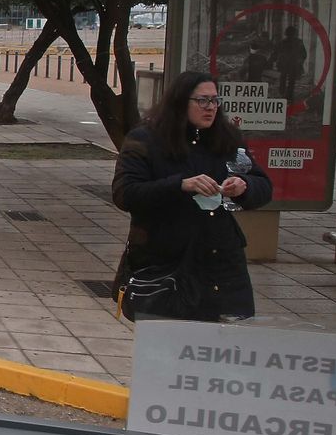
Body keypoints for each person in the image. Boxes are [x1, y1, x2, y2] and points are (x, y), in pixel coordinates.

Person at [112, 71, 272, 321]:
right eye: (202, 101)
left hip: (220, 261)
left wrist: (244, 186)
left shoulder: (227, 138)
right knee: (165, 345)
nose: (211, 108)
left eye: (215, 101)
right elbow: (125, 194)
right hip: (166, 260)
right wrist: (180, 185)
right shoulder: (146, 139)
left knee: (217, 348)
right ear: (180, 102)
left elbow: (263, 186)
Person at [274, 25, 308, 102]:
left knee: (283, 78)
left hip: (284, 64)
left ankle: (282, 92)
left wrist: (275, 61)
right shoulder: (299, 42)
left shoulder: (282, 42)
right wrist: (300, 61)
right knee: (291, 80)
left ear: (286, 33)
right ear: (294, 33)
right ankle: (289, 96)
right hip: (293, 65)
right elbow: (304, 54)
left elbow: (276, 53)